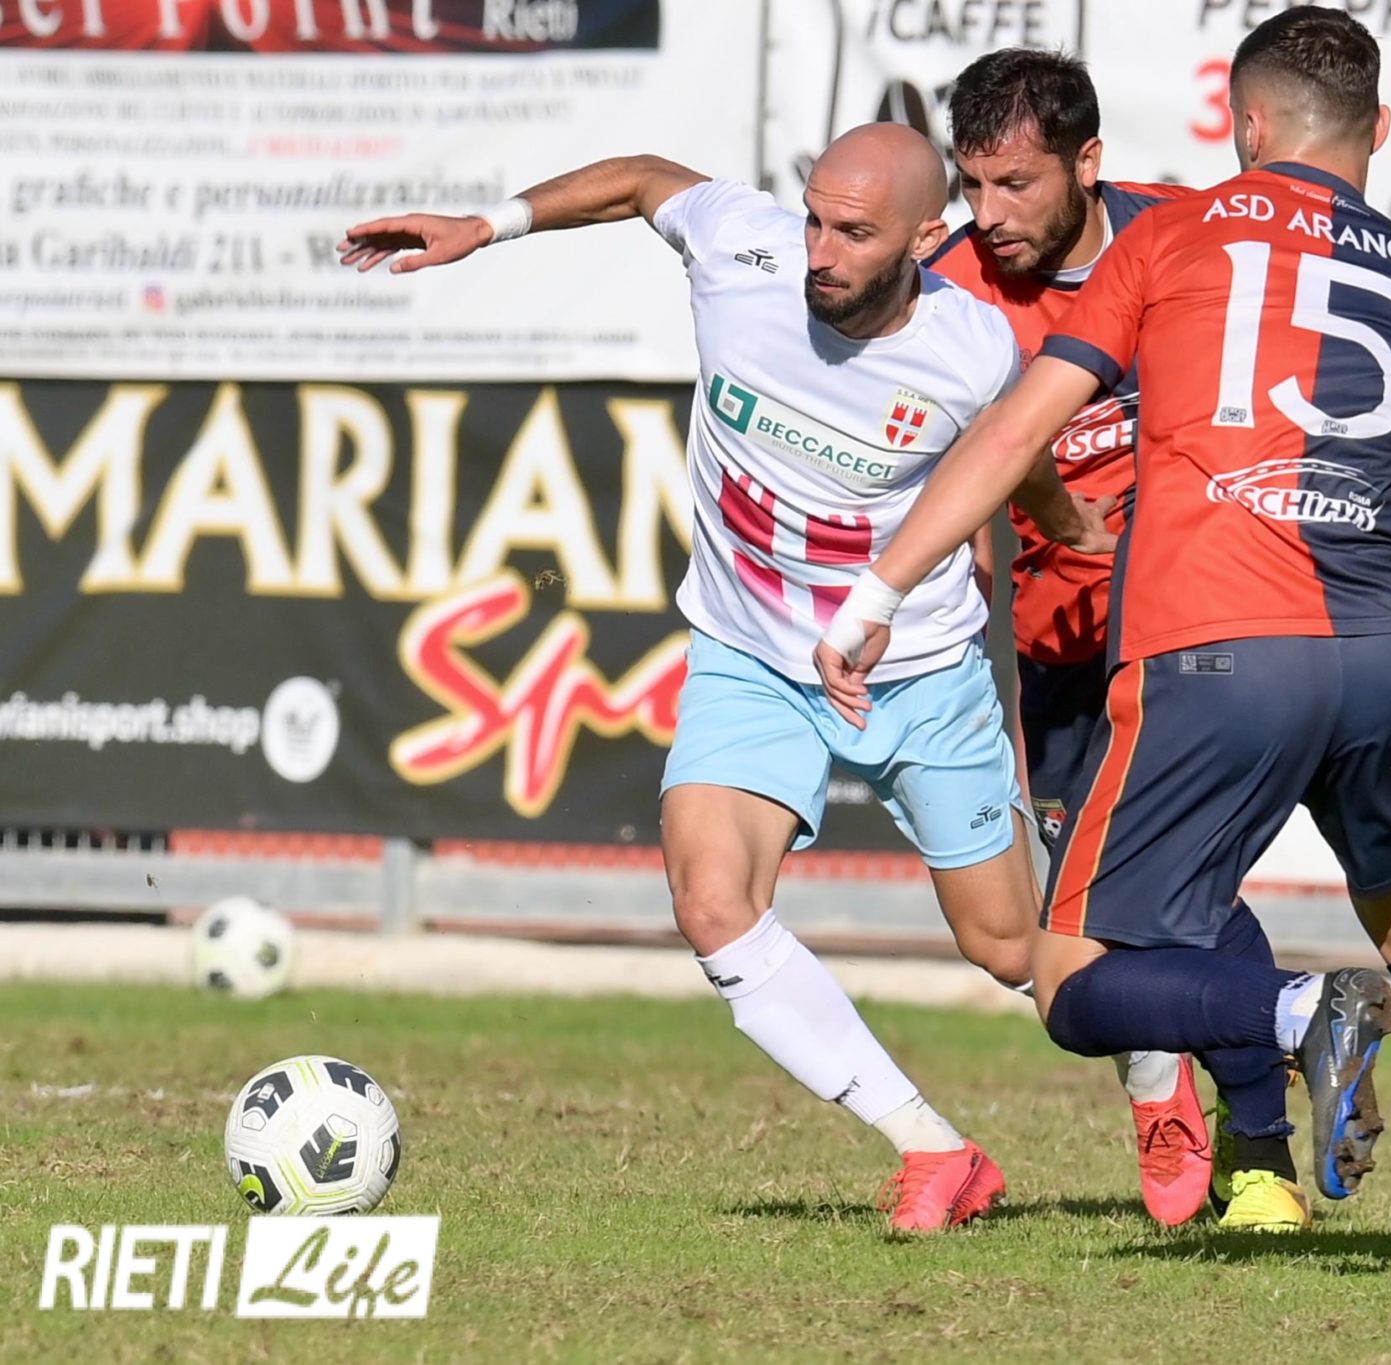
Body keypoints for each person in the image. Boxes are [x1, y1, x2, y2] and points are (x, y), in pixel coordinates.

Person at [816, 9, 1391, 1278]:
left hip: (1208, 651)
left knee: (1068, 980)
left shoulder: (1172, 235)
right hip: (1383, 652)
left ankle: (1300, 1012)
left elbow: (1012, 435)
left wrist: (877, 590)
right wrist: (1380, 699)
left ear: (1246, 125)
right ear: (1379, 129)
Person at [337, 124, 1112, 1231]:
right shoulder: (743, 251)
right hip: (750, 660)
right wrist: (487, 225)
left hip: (919, 670)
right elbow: (640, 178)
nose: (819, 253)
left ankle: (1189, 1072)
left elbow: (1011, 456)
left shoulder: (971, 346)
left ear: (923, 240)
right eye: (814, 219)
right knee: (712, 904)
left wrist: (1068, 527)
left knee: (1010, 948)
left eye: (854, 233)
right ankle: (934, 1151)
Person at [926, 46, 1302, 1233]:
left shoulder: (1193, 239)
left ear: (1087, 163)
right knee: (1097, 911)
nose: (988, 215)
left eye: (1014, 185)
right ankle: (1211, 1065)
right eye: (970, 185)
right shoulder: (946, 289)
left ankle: (1249, 1145)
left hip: (1199, 625)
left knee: (1173, 887)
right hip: (1057, 651)